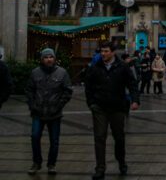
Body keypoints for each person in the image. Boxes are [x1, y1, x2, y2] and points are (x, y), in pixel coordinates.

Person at [84, 41, 139, 179]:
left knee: (119, 138)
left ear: (113, 52)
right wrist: (91, 103)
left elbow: (132, 83)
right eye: (101, 51)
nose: (103, 54)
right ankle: (100, 168)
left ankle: (121, 162)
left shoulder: (122, 66)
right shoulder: (95, 67)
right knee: (99, 137)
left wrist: (135, 100)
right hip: (100, 107)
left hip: (117, 107)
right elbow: (88, 86)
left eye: (106, 51)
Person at [26, 47, 73, 175]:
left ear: (54, 59)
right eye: (46, 57)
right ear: (42, 59)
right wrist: (32, 105)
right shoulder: (35, 73)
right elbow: (29, 90)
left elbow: (67, 91)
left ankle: (51, 164)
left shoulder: (62, 73)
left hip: (54, 113)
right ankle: (36, 162)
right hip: (38, 112)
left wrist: (59, 105)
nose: (48, 59)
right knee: (35, 137)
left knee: (54, 140)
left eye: (51, 57)